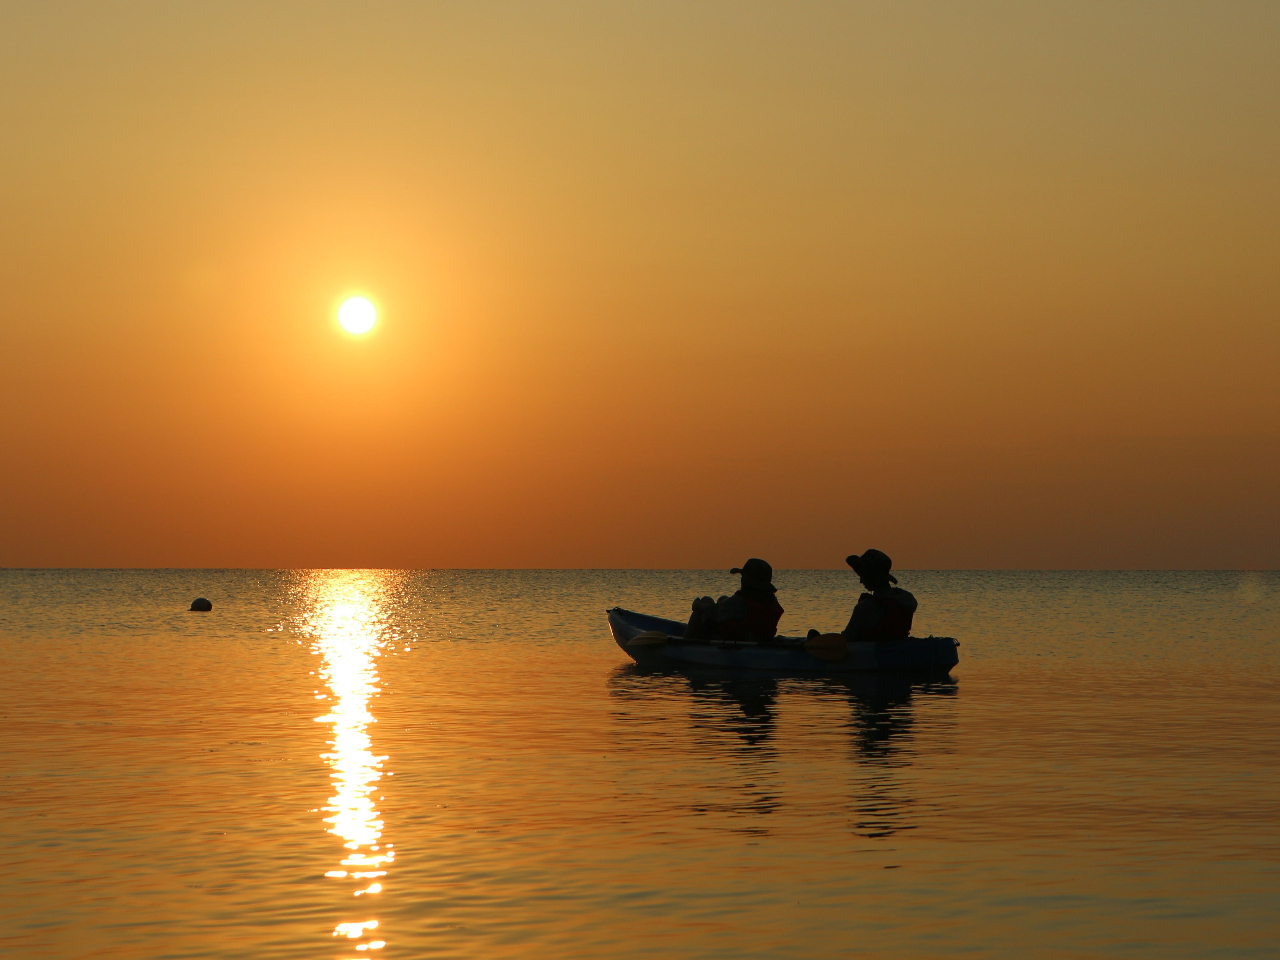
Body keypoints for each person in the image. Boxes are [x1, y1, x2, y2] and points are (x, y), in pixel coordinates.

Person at [685, 558, 785, 642]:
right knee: (722, 599)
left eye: (743, 577)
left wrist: (697, 604)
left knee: (703, 605)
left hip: (738, 642)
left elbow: (714, 611)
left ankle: (685, 645)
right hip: (756, 639)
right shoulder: (771, 600)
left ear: (747, 580)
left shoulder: (739, 602)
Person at [840, 549, 917, 642]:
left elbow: (847, 638)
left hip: (874, 653)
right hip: (898, 651)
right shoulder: (907, 599)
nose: (861, 581)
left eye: (863, 576)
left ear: (872, 577)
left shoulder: (865, 607)